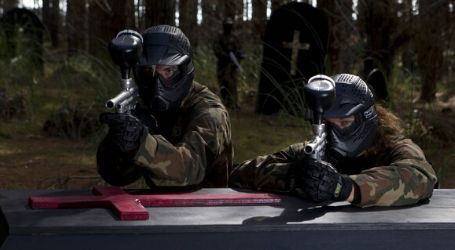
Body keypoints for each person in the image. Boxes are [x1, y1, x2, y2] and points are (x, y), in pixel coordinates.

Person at [229, 73, 437, 207]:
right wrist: (295, 175)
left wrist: (345, 187)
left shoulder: (394, 147)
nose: (335, 132)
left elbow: (418, 176)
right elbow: (243, 172)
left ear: (367, 119)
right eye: (329, 124)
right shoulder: (315, 150)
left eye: (344, 123)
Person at [97, 25, 233, 188]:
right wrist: (120, 145)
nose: (157, 83)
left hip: (209, 206)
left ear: (184, 70)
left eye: (168, 71)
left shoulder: (210, 112)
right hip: (159, 207)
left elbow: (191, 170)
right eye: (149, 72)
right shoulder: (144, 104)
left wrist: (143, 142)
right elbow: (116, 176)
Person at [213, 17, 243, 110]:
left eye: (230, 25)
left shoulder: (235, 37)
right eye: (227, 25)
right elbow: (216, 49)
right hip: (222, 65)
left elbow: (239, 49)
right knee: (223, 83)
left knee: (233, 84)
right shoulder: (220, 37)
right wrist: (224, 55)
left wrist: (239, 55)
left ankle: (234, 103)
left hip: (232, 65)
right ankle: (225, 103)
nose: (228, 27)